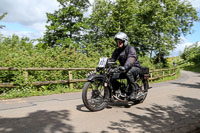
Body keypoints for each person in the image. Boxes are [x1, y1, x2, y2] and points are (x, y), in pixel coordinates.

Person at [109, 32, 141, 100]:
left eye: (120, 42)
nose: (118, 43)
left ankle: (134, 91)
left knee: (128, 72)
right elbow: (112, 59)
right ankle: (117, 89)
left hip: (134, 67)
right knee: (110, 73)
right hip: (124, 67)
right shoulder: (117, 50)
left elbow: (131, 58)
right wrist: (105, 63)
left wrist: (125, 67)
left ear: (125, 41)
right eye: (117, 42)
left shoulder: (130, 48)